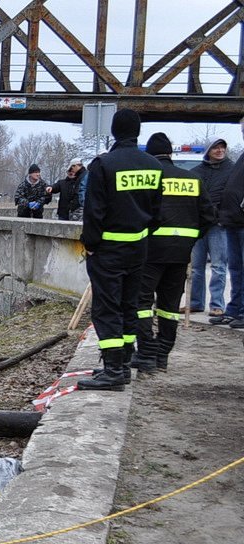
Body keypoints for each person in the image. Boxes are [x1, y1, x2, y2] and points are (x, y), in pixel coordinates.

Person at [77, 108, 164, 391]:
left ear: (114, 131)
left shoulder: (103, 164)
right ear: (137, 132)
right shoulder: (153, 165)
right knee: (129, 306)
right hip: (138, 248)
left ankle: (113, 370)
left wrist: (90, 245)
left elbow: (94, 212)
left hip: (107, 250)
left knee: (106, 308)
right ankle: (124, 364)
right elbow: (157, 213)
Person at [130, 133, 215, 375]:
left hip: (150, 251)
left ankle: (145, 353)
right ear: (171, 154)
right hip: (180, 253)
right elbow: (208, 217)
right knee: (169, 306)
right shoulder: (193, 179)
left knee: (142, 304)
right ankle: (162, 356)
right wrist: (189, 238)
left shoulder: (149, 180)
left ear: (150, 155)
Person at [189, 138, 233, 315]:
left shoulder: (232, 169)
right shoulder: (197, 172)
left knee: (218, 266)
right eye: (216, 147)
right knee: (196, 267)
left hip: (218, 225)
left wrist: (224, 217)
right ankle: (195, 303)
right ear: (209, 151)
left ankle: (217, 305)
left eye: (222, 147)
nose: (220, 150)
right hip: (199, 224)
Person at [212, 121, 244, 328]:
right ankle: (235, 309)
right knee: (236, 268)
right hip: (233, 221)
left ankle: (241, 312)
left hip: (241, 220)